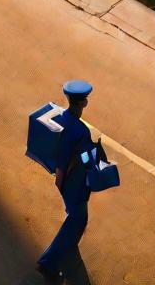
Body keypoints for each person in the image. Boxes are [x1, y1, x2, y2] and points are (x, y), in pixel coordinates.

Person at [37, 79, 97, 282]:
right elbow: (84, 158)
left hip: (62, 179)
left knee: (76, 215)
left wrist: (59, 180)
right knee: (77, 219)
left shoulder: (61, 118)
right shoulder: (81, 131)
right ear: (83, 103)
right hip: (75, 182)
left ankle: (69, 244)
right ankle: (49, 262)